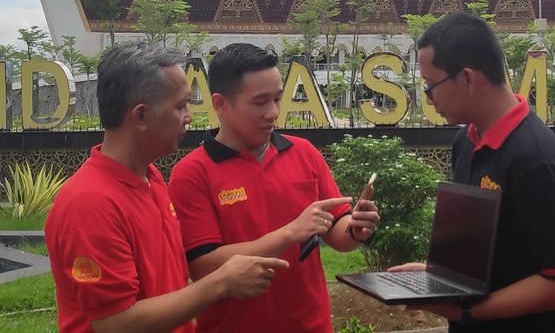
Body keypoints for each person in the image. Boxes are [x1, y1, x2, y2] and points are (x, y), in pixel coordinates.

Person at [45, 42, 289, 333]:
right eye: (180, 106)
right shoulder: (89, 204)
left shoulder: (151, 179)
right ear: (141, 116)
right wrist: (221, 282)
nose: (189, 117)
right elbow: (116, 323)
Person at [390, 12, 555, 332]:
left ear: (467, 78)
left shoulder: (538, 160)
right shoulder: (465, 141)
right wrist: (438, 276)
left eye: (430, 86)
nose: (428, 98)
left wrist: (468, 312)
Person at [168, 43, 380, 333]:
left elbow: (337, 230)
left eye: (278, 99)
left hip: (311, 326)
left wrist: (356, 227)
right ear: (220, 104)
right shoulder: (193, 173)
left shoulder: (304, 153)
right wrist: (289, 233)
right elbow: (203, 266)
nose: (273, 112)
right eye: (260, 102)